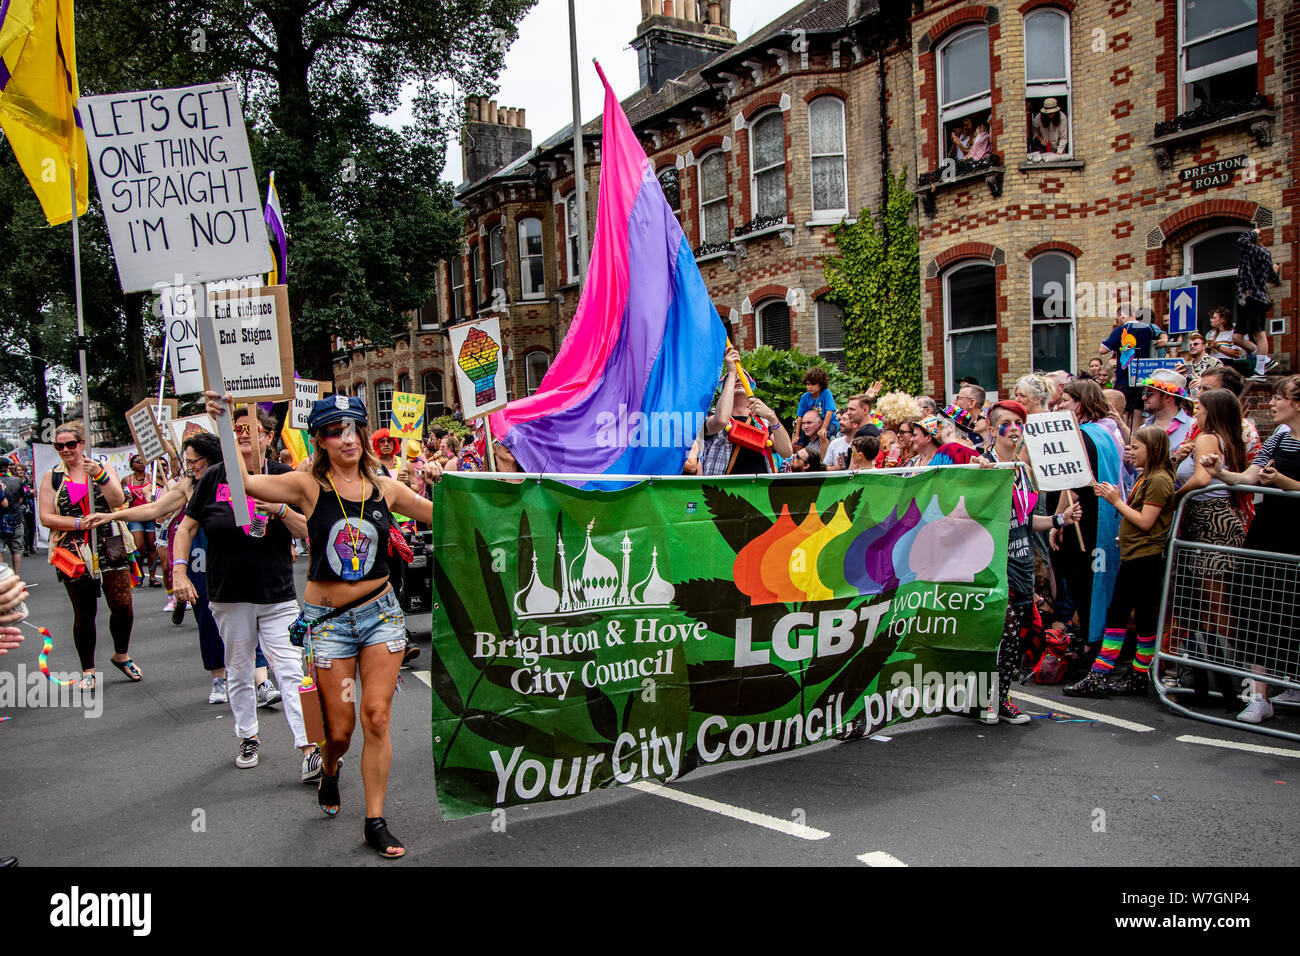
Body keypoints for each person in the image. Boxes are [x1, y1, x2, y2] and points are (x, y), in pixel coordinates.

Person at [207, 391, 444, 859]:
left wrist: (457, 483)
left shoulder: (385, 488)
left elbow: (445, 514)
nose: (347, 438)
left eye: (352, 427)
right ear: (319, 440)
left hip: (381, 616)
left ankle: (375, 820)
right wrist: (222, 426)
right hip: (330, 623)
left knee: (376, 716)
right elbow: (245, 485)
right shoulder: (306, 486)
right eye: (334, 431)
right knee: (339, 731)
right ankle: (331, 770)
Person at [171, 407, 315, 777]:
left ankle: (310, 747)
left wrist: (280, 508)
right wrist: (180, 571)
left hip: (277, 594)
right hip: (228, 595)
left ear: (269, 437)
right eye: (236, 430)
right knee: (238, 670)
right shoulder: (215, 476)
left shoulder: (286, 476)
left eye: (252, 429)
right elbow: (185, 529)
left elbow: (308, 531)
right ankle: (248, 736)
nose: (245, 435)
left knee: (290, 671)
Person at [88, 432, 281, 707]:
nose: (190, 466)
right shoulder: (189, 485)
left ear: (210, 457)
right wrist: (111, 516)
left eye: (194, 461)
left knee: (251, 613)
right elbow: (154, 509)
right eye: (187, 461)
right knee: (206, 614)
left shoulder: (238, 477)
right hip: (203, 555)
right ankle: (218, 676)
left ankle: (261, 681)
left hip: (239, 554)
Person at [1199, 375, 1300, 723]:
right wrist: (1222, 473)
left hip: (1296, 535)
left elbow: (1284, 483)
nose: (1272, 404)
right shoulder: (1279, 438)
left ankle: (1291, 679)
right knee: (1257, 605)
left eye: (1279, 398)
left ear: (1297, 403)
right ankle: (1260, 697)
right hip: (1269, 532)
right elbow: (1250, 478)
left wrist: (1286, 484)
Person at [977, 400, 1081, 721]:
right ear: (994, 430)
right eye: (1006, 423)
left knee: (1016, 639)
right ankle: (985, 700)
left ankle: (1001, 697)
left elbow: (1027, 521)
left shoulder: (1023, 471)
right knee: (1003, 635)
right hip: (992, 567)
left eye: (1019, 423)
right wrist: (979, 479)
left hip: (1022, 565)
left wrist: (1060, 519)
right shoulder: (983, 465)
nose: (1014, 429)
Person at [1064, 427, 1176, 697]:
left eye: (1136, 447)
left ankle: (1101, 674)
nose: (1131, 452)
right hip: (1136, 554)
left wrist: (1115, 500)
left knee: (1120, 615)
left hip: (1144, 558)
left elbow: (1146, 521)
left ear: (1153, 449)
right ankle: (1137, 675)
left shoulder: (1158, 480)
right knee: (1141, 618)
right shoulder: (1148, 477)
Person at [38, 422, 137, 689]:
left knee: (122, 605)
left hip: (110, 542)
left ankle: (121, 654)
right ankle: (88, 670)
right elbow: (46, 516)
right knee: (84, 612)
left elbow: (117, 501)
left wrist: (101, 476)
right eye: (60, 446)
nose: (66, 450)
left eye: (71, 444)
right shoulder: (52, 477)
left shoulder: (102, 468)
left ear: (82, 444)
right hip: (72, 548)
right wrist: (78, 524)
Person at [700, 346, 793, 476]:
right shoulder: (711, 416)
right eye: (733, 378)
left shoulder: (763, 422)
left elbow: (787, 452)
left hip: (757, 491)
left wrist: (772, 417)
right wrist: (731, 372)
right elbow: (721, 421)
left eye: (742, 377)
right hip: (723, 492)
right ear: (724, 388)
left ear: (751, 386)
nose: (738, 379)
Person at [1100, 307, 1169, 428]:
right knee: (1138, 411)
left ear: (1122, 316)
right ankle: (1134, 437)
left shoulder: (1121, 330)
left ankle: (1124, 439)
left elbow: (1103, 350)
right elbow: (1161, 333)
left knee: (1123, 412)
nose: (1119, 319)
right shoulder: (1148, 328)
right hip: (1143, 376)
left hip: (1124, 377)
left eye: (1119, 317)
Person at [1236, 229, 1281, 375]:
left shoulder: (1252, 249)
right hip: (1245, 299)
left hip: (1254, 298)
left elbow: (1241, 240)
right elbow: (1273, 278)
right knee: (1237, 338)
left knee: (1259, 333)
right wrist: (1274, 270)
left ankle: (1260, 370)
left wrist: (1254, 231)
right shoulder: (1264, 255)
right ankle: (1265, 360)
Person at [121, 454, 161, 587]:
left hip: (150, 515)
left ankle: (153, 577)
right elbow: (122, 499)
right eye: (138, 462)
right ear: (132, 465)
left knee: (152, 546)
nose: (141, 464)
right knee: (138, 546)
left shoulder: (152, 478)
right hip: (134, 516)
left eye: (143, 461)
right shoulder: (126, 480)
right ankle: (139, 574)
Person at [1140, 369, 1194, 450]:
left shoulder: (1191, 428)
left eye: (1149, 393)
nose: (1143, 398)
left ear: (1168, 397)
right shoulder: (1143, 429)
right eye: (1144, 393)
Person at [1204, 307, 1254, 377]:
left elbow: (1237, 354)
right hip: (1214, 364)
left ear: (1223, 320)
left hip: (1229, 366)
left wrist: (1218, 347)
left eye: (1214, 318)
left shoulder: (1234, 333)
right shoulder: (1210, 334)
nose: (1211, 320)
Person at [796, 366, 838, 445]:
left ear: (821, 384)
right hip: (812, 424)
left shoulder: (826, 393)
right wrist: (797, 435)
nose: (810, 387)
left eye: (813, 384)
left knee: (824, 435)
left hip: (830, 423)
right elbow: (800, 416)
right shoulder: (804, 397)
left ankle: (823, 456)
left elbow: (830, 411)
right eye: (808, 384)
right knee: (800, 441)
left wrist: (823, 428)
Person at [0, 461, 24, 573]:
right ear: (7, 468)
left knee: (0, 550)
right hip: (15, 519)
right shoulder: (16, 481)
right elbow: (21, 498)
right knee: (16, 550)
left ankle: (2, 577)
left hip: (1, 520)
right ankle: (16, 575)